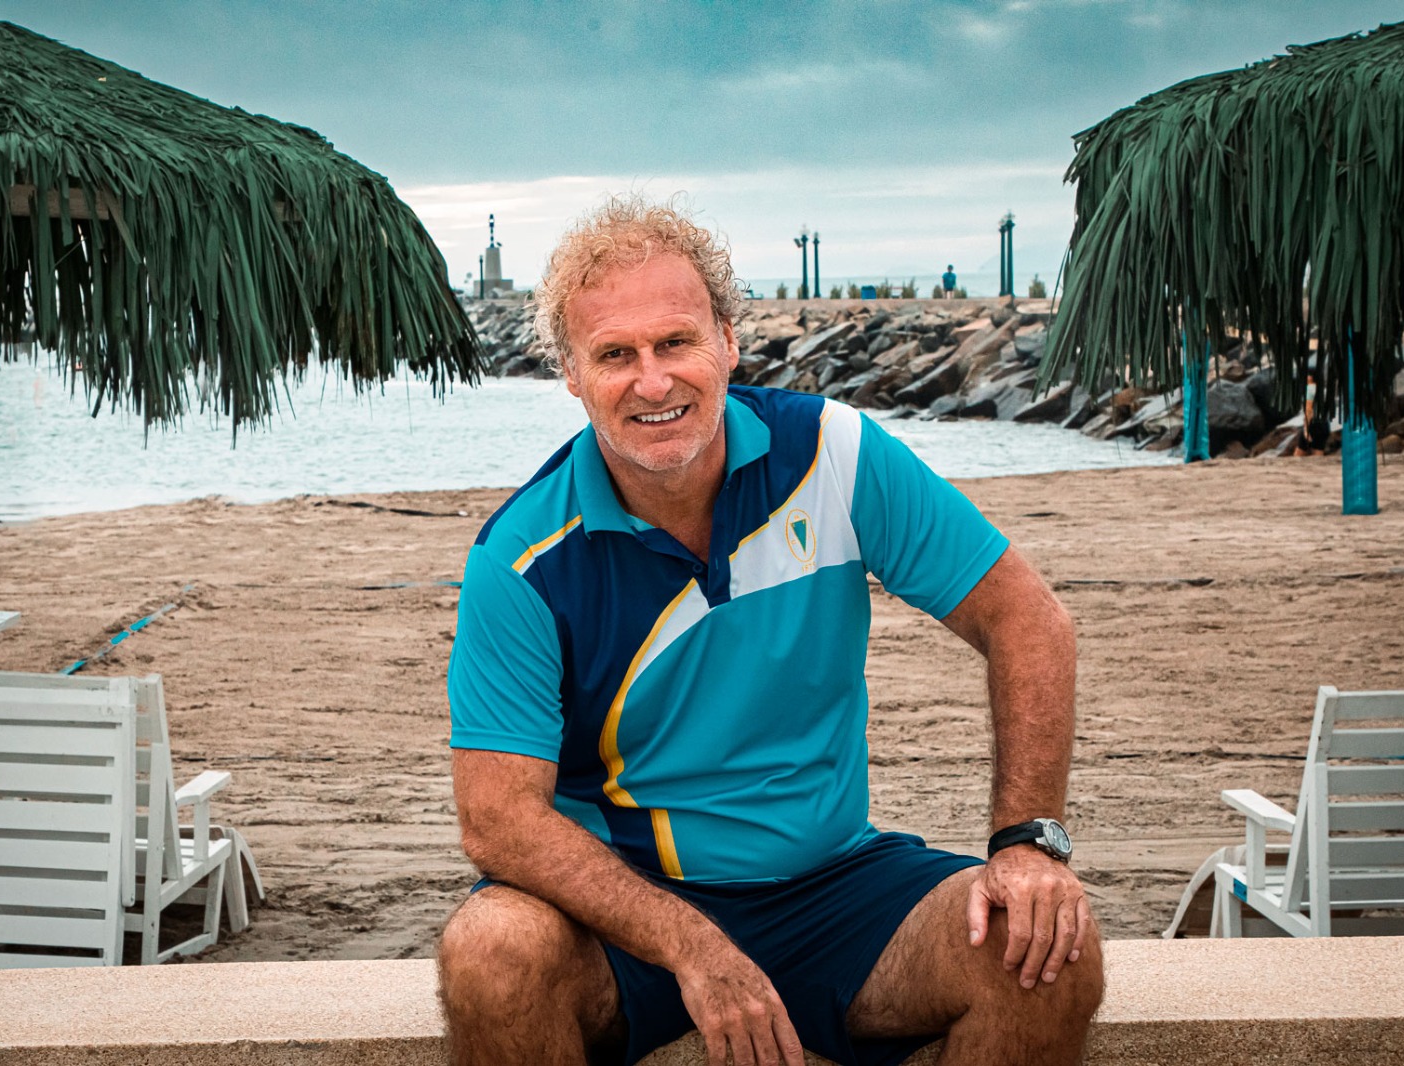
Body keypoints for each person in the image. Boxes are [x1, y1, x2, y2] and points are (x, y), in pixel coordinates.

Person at [439, 197, 1103, 1066]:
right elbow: (497, 820)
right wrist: (693, 946)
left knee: (1045, 953)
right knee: (490, 954)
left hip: (835, 889)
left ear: (728, 340)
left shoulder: (833, 455)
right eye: (615, 354)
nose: (652, 381)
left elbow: (1027, 618)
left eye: (675, 342)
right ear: (570, 373)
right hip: (626, 909)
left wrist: (1025, 840)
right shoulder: (521, 560)